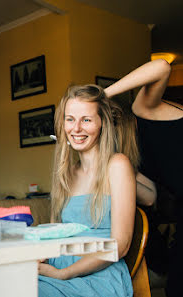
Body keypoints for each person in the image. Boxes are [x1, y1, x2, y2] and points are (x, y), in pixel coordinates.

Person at [37, 84, 137, 296]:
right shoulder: (67, 174)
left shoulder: (117, 165)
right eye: (70, 119)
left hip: (97, 274)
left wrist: (63, 274)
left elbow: (120, 245)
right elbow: (58, 234)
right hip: (57, 266)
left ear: (102, 123)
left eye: (87, 120)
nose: (76, 128)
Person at [104, 59, 183, 297]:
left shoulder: (143, 110)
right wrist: (107, 167)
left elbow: (162, 67)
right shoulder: (132, 156)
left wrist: (97, 96)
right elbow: (149, 197)